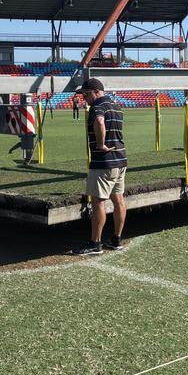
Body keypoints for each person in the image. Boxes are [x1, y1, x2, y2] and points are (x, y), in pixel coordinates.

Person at [72, 78, 127, 255]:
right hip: (120, 159)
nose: (84, 99)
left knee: (98, 202)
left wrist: (101, 144)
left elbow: (100, 122)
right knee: (118, 200)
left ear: (96, 92)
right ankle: (117, 239)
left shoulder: (97, 107)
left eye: (86, 94)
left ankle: (95, 243)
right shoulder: (117, 107)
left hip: (104, 162)